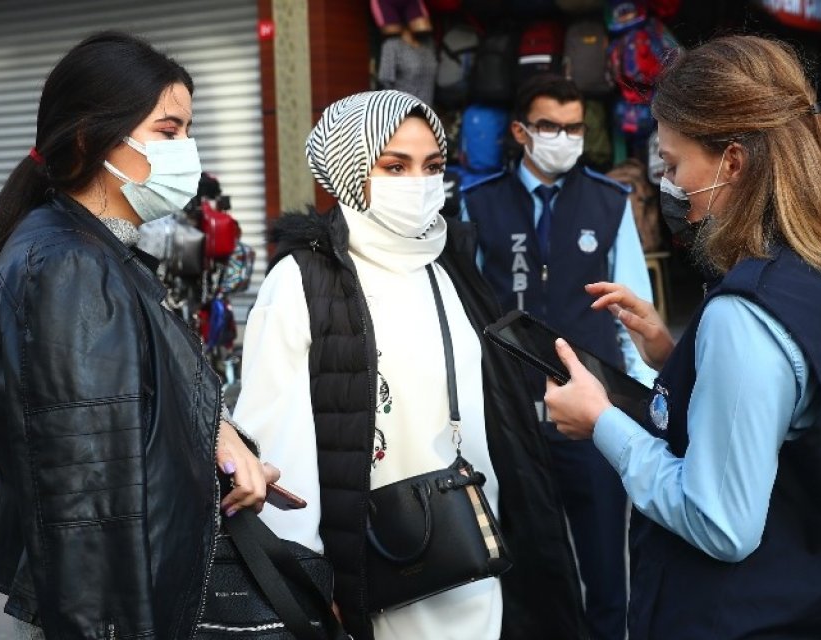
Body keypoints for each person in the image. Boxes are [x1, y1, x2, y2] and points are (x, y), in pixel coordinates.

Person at [545, 36, 821, 639]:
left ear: (732, 162)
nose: (668, 184)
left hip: (741, 618)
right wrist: (675, 355)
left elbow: (720, 523)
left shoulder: (747, 315)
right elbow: (796, 414)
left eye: (674, 164)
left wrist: (601, 421)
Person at [231, 90, 584, 640]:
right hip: (381, 570)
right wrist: (309, 583)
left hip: (479, 554)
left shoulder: (448, 268)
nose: (419, 183)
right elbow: (278, 448)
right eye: (395, 166)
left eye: (432, 166)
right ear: (349, 171)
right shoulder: (302, 282)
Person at [0, 32, 277, 639]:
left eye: (188, 131)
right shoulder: (69, 266)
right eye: (168, 131)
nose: (187, 151)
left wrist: (217, 440)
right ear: (91, 138)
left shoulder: (93, 248)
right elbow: (87, 495)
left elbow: (129, 416)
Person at [460, 72, 655, 640]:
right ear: (521, 131)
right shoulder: (478, 202)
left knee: (605, 567)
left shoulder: (609, 202)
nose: (564, 138)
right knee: (522, 566)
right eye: (550, 126)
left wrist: (639, 405)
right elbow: (468, 312)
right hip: (511, 418)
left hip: (592, 416)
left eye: (574, 128)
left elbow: (633, 315)